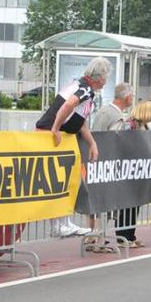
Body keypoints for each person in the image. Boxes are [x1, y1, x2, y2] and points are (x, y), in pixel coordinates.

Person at [35, 56, 106, 237]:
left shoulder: (79, 85)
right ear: (99, 78)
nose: (106, 81)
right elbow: (69, 104)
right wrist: (56, 127)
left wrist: (92, 142)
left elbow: (79, 120)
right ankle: (58, 225)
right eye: (105, 77)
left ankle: (63, 222)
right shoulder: (85, 89)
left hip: (58, 135)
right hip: (51, 136)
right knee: (57, 181)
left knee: (64, 180)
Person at [113, 100, 151, 248]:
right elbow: (119, 143)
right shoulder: (129, 125)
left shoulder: (144, 126)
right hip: (128, 170)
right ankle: (122, 237)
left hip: (139, 171)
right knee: (127, 205)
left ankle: (130, 235)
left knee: (135, 205)